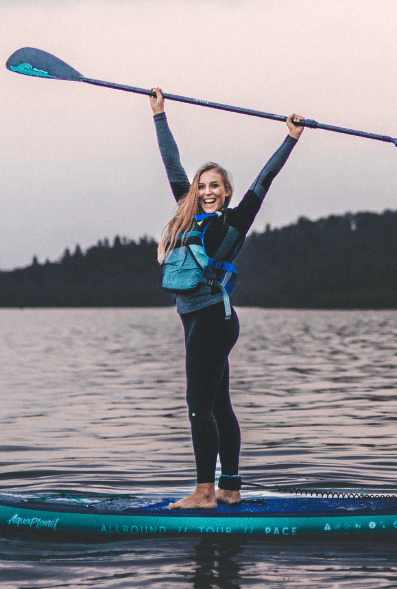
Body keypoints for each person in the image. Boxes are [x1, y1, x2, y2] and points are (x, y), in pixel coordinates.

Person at [150, 88, 304, 510]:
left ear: (227, 190)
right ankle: (230, 488)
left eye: (215, 185)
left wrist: (289, 139)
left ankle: (204, 493)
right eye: (202, 186)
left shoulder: (236, 221)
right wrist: (159, 114)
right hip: (195, 321)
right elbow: (171, 162)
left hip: (215, 322)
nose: (207, 191)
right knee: (218, 405)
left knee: (199, 405)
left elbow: (264, 180)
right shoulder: (187, 212)